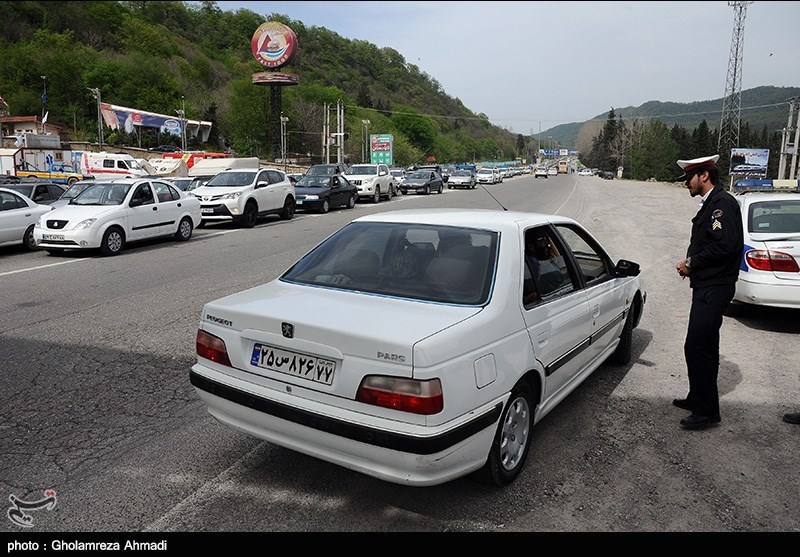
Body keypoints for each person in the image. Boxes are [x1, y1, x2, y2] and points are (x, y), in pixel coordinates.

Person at [673, 154, 743, 430]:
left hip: (715, 286)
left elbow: (724, 246)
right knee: (705, 346)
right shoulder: (712, 204)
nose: (686, 184)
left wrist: (690, 263)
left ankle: (706, 411)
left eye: (689, 178)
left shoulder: (721, 204)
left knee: (697, 345)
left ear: (704, 176)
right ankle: (698, 397)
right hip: (706, 285)